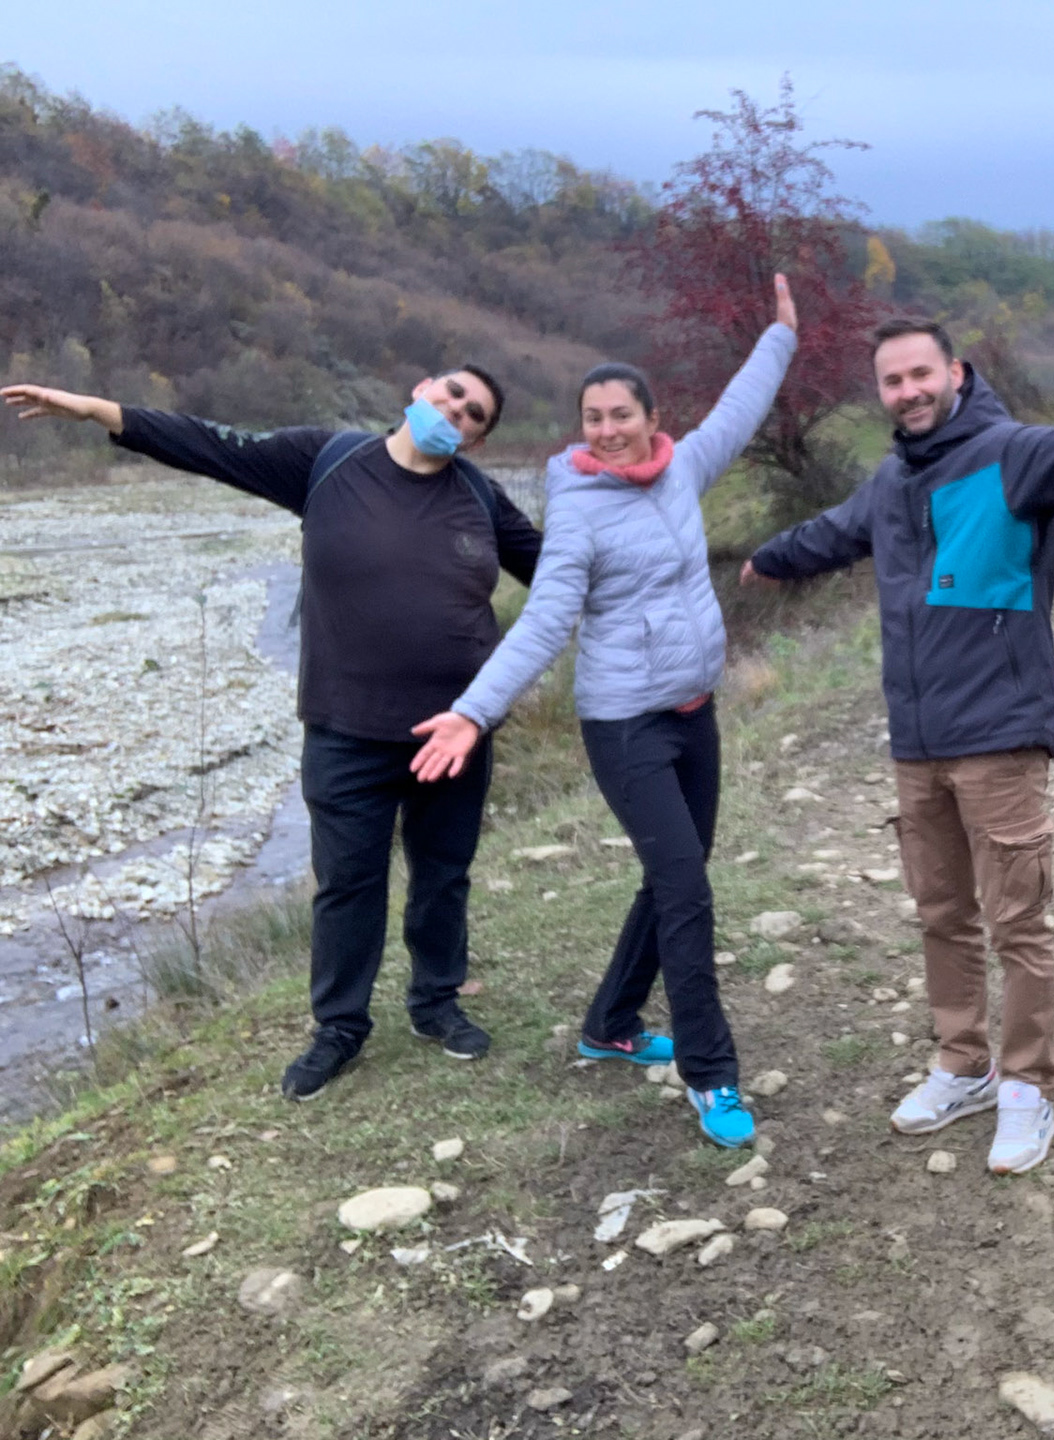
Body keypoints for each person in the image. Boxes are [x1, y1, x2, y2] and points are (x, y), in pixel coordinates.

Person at [741, 317, 1054, 1173]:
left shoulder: (1009, 456)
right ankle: (962, 1063)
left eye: (919, 374)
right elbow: (831, 532)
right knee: (942, 914)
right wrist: (769, 559)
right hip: (917, 740)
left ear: (953, 371)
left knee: (1017, 921)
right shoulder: (887, 483)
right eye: (891, 381)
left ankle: (1026, 1085)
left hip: (998, 733)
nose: (907, 391)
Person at [1, 366, 537, 1101]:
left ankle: (436, 1004)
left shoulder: (479, 497)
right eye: (450, 394)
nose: (455, 412)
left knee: (443, 876)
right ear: (418, 390)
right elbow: (209, 445)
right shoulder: (328, 460)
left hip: (453, 734)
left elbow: (557, 576)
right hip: (346, 729)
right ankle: (339, 1029)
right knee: (348, 884)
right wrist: (99, 411)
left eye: (473, 413)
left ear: (478, 436)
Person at [409, 276, 798, 1149]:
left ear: (651, 418)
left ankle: (610, 1025)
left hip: (694, 713)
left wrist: (780, 336)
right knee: (688, 890)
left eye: (621, 414)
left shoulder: (684, 469)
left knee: (677, 873)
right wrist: (474, 713)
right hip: (625, 724)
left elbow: (739, 409)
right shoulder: (578, 512)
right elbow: (545, 621)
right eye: (592, 417)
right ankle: (710, 1072)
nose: (607, 429)